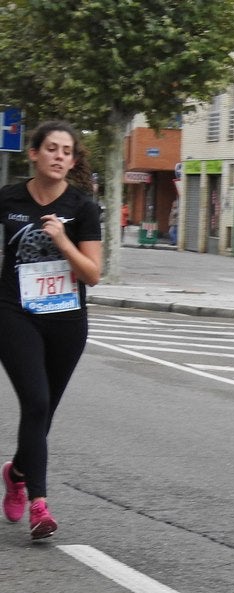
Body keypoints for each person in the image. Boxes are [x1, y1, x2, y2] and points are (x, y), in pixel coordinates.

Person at [0, 120, 103, 540]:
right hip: (14, 312)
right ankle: (39, 504)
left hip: (65, 320)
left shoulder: (83, 207)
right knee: (36, 402)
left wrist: (63, 242)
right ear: (34, 154)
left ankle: (17, 473)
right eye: (53, 149)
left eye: (67, 152)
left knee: (44, 412)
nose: (60, 156)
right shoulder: (7, 199)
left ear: (73, 160)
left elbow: (93, 274)